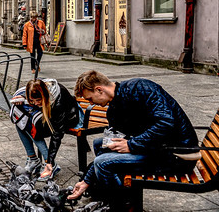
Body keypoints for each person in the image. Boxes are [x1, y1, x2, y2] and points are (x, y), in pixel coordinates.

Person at [67, 70, 199, 206]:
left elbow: (166, 123)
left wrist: (131, 144)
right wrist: (86, 181)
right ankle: (113, 196)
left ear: (99, 90)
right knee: (99, 144)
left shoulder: (140, 87)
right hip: (159, 148)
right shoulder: (114, 108)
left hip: (176, 155)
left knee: (103, 163)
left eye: (90, 99)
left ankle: (120, 205)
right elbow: (113, 143)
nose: (92, 103)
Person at [10, 78, 82, 180]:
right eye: (32, 101)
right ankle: (32, 158)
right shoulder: (40, 87)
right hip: (49, 115)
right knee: (20, 121)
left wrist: (50, 161)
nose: (35, 103)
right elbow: (31, 97)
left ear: (44, 96)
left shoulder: (58, 103)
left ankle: (50, 165)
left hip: (69, 119)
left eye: (38, 100)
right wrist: (21, 98)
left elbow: (57, 135)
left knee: (32, 126)